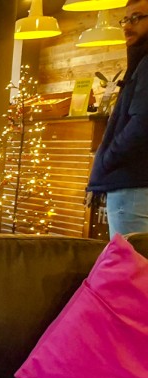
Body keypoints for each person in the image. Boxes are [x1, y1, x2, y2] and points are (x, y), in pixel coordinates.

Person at [86, 0, 148, 236]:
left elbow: (142, 124)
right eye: (126, 19)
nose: (127, 26)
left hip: (133, 188)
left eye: (136, 18)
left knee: (129, 258)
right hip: (135, 185)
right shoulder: (140, 63)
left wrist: (106, 159)